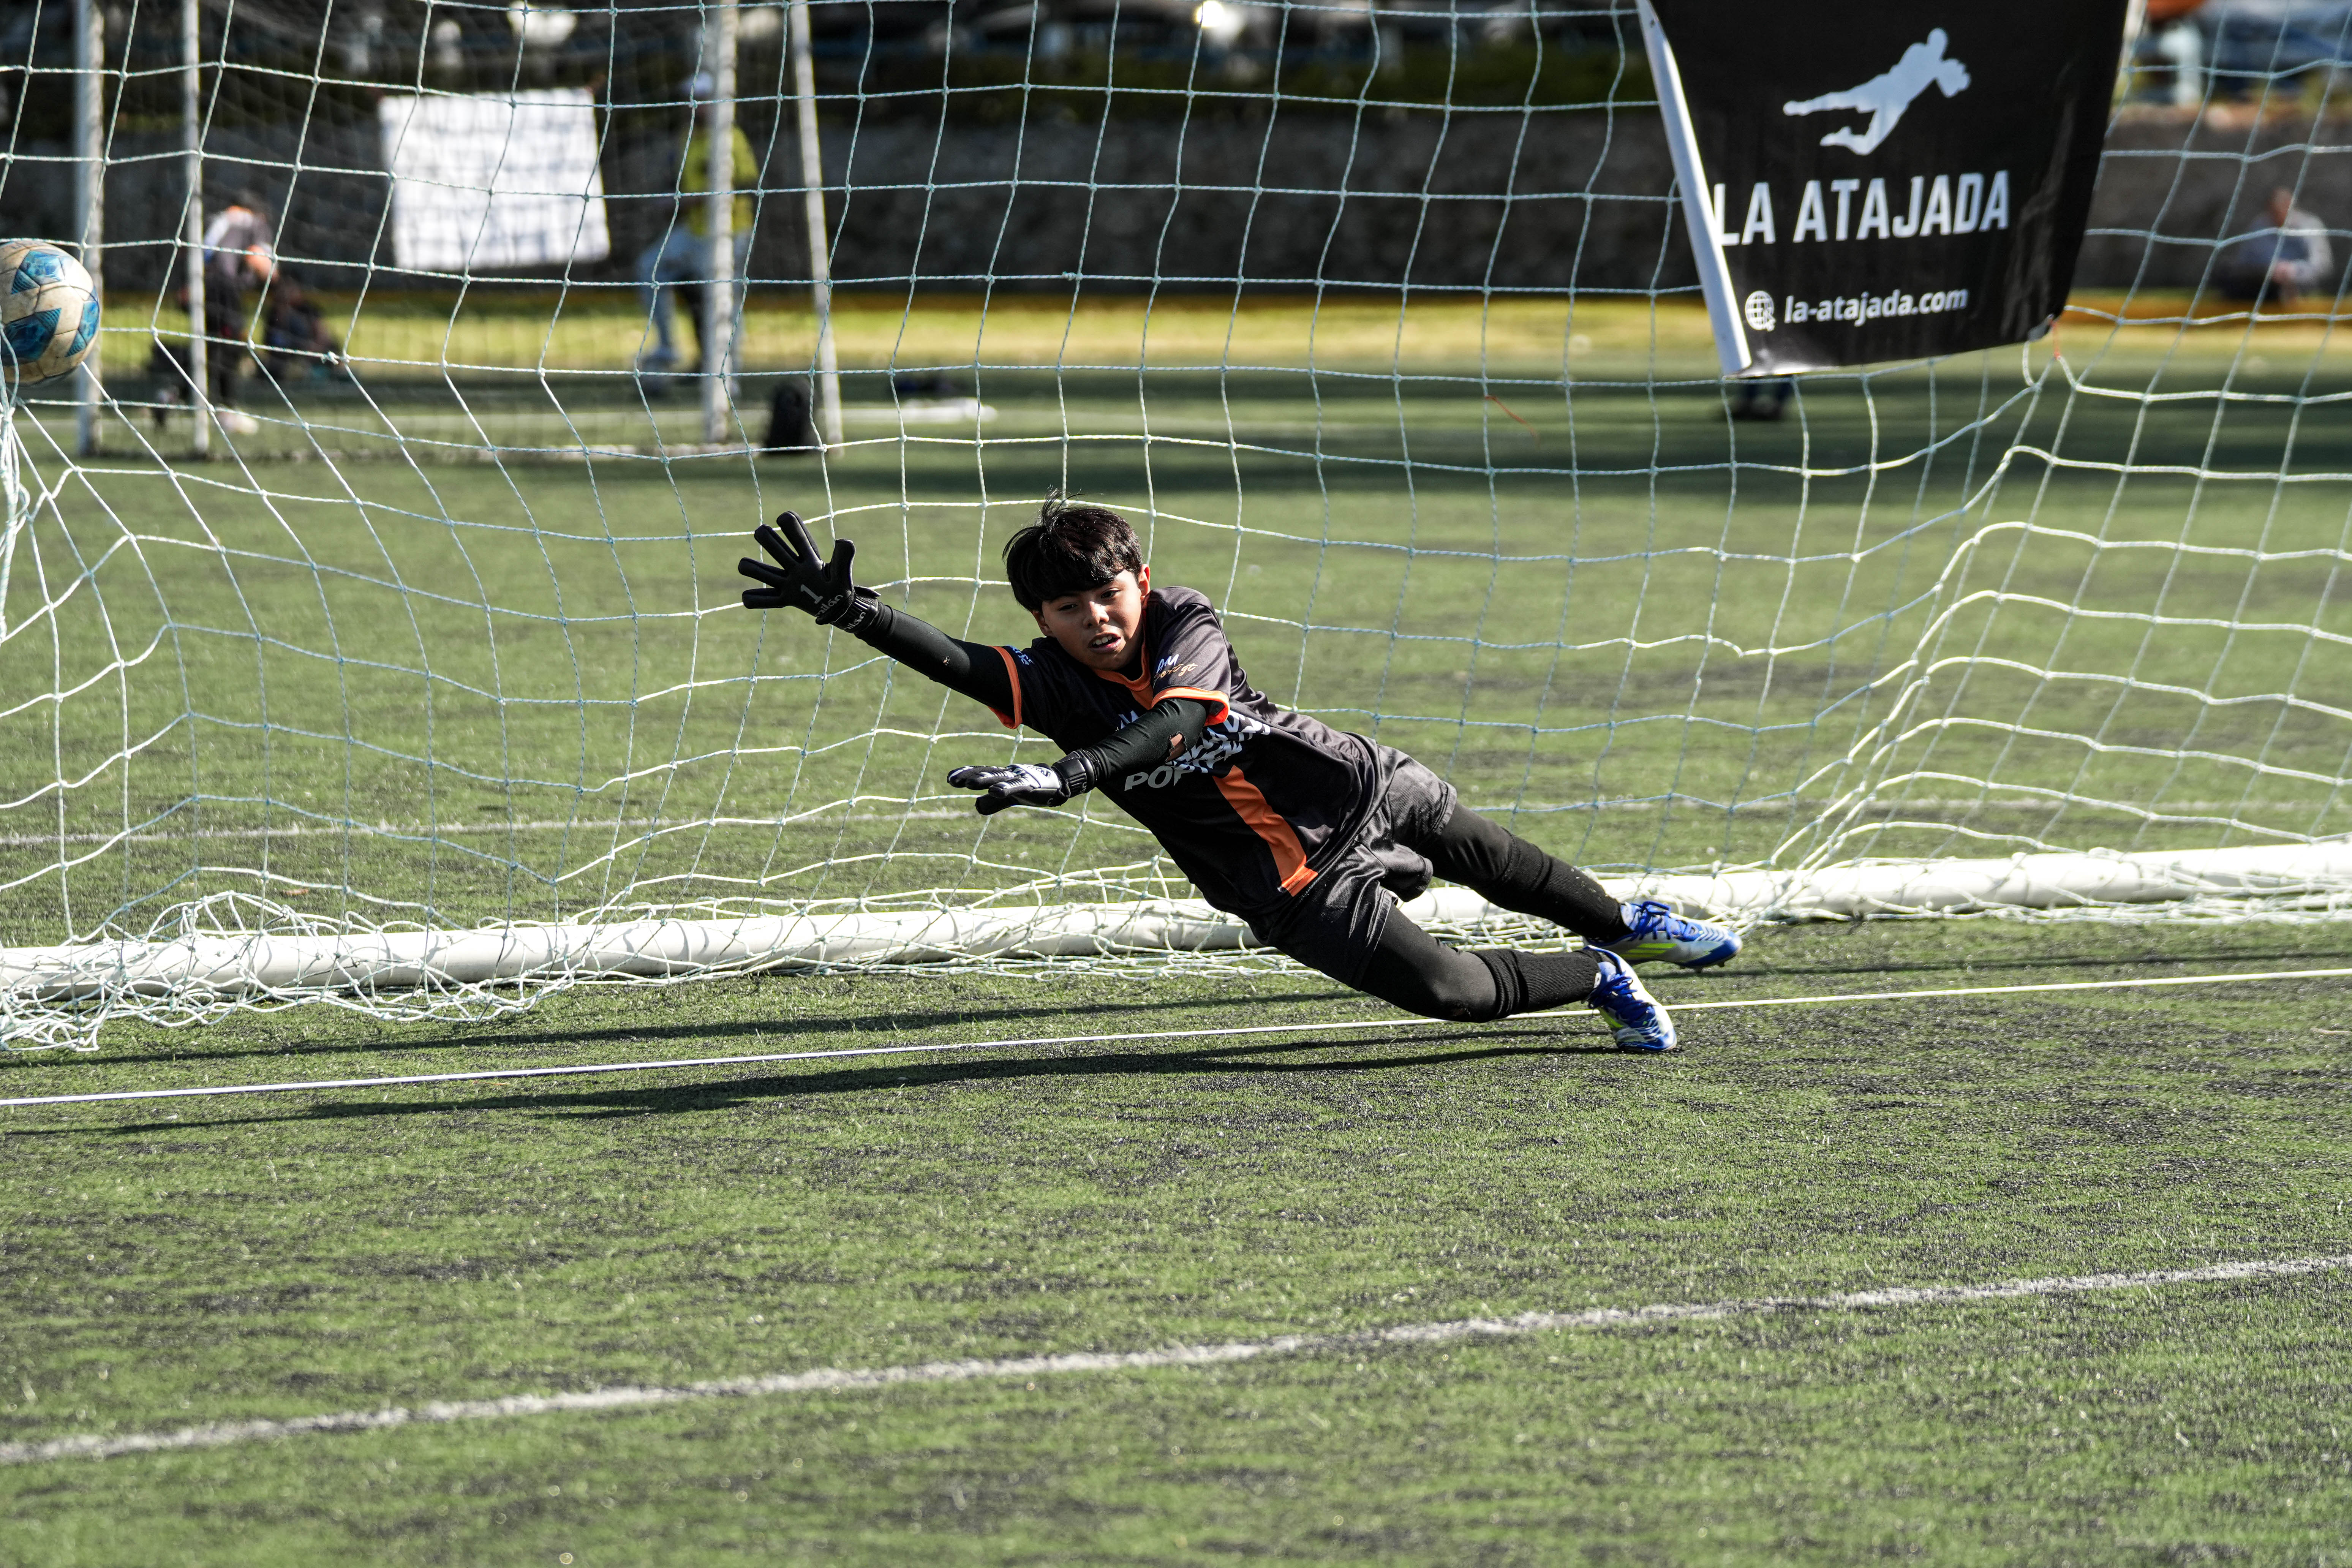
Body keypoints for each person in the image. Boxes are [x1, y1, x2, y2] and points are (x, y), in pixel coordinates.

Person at [738, 498, 1747, 1051]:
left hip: (1355, 786)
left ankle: (1627, 923)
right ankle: (1597, 975)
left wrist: (1076, 773)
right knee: (1449, 994)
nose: (1096, 616)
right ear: (1041, 621)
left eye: (1106, 592)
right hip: (1282, 883)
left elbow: (1179, 724)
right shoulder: (1047, 683)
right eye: (1067, 607)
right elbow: (958, 662)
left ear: (1139, 579)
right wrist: (855, 613)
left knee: (1496, 859)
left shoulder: (1185, 619)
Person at [635, 71, 758, 381]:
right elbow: (680, 181)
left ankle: (730, 367)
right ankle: (667, 347)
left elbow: (746, 183)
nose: (695, 106)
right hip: (695, 231)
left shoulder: (732, 137)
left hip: (728, 233)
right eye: (692, 100)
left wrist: (692, 201)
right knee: (651, 268)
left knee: (723, 296)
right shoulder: (686, 139)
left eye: (702, 100)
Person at [198, 190, 277, 433]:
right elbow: (260, 259)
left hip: (199, 283)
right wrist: (275, 277)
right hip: (226, 286)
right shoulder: (254, 222)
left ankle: (171, 395)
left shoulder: (212, 219)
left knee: (211, 346)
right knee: (230, 348)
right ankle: (227, 409)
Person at [2220, 187, 2335, 308]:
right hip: (2262, 281)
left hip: (2300, 283)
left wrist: (2293, 270)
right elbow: (2243, 262)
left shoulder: (2310, 227)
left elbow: (2323, 266)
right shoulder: (2259, 227)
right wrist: (2268, 270)